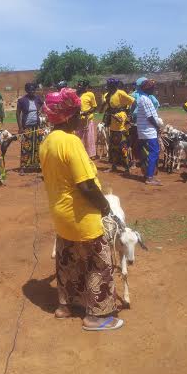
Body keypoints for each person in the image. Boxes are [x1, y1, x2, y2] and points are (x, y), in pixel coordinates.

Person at [39, 88, 123, 331]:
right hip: (82, 215)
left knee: (69, 260)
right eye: (78, 114)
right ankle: (96, 317)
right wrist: (105, 206)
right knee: (99, 263)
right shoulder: (71, 141)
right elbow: (85, 185)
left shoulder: (47, 143)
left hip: (61, 214)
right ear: (66, 117)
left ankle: (65, 306)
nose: (81, 118)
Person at [100, 78, 134, 174]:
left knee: (123, 146)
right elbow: (103, 108)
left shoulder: (120, 93)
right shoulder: (108, 95)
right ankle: (114, 166)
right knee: (113, 147)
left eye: (110, 86)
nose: (108, 88)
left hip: (120, 122)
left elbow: (132, 102)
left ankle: (127, 168)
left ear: (114, 86)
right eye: (108, 86)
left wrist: (128, 116)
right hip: (112, 122)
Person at [137, 79, 162, 186]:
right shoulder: (145, 100)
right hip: (148, 130)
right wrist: (157, 127)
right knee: (154, 151)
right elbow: (150, 117)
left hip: (145, 130)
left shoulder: (144, 98)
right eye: (152, 88)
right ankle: (149, 177)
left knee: (147, 152)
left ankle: (148, 174)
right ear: (148, 88)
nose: (154, 89)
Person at [129, 77, 160, 165]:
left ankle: (136, 161)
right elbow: (156, 104)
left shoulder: (134, 95)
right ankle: (148, 164)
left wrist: (131, 114)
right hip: (148, 124)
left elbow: (131, 107)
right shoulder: (148, 96)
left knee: (135, 142)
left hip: (137, 121)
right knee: (149, 145)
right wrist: (154, 113)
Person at [16, 82, 44, 175]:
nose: (32, 91)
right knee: (26, 147)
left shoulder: (38, 99)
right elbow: (18, 113)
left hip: (37, 126)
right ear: (27, 90)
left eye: (33, 89)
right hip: (26, 127)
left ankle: (37, 165)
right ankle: (23, 167)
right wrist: (20, 127)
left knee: (38, 146)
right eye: (30, 90)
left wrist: (40, 112)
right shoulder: (22, 100)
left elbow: (43, 107)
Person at [75, 80, 97, 158]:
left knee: (89, 137)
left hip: (87, 119)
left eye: (81, 86)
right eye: (78, 86)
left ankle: (90, 155)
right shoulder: (76, 95)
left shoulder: (90, 94)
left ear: (86, 87)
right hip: (78, 120)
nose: (79, 87)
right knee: (78, 137)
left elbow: (94, 107)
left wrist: (86, 112)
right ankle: (79, 153)